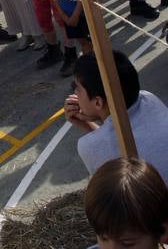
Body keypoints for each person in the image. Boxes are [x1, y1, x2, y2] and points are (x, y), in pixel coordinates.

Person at [64, 49, 168, 181]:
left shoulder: (88, 146)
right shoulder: (148, 98)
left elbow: (112, 187)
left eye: (76, 87)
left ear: (97, 102)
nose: (74, 92)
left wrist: (89, 127)